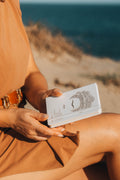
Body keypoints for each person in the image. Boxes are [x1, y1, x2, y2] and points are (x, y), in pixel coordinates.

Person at [0, 0, 120, 179]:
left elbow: (30, 72)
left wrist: (41, 97)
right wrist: (9, 118)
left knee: (100, 174)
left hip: (18, 125)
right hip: (5, 135)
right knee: (117, 130)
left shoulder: (10, 4)